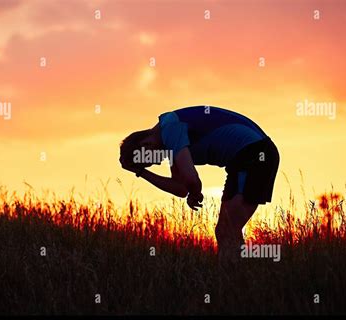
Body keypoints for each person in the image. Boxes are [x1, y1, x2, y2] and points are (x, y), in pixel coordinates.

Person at [119, 106, 279, 267]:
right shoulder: (170, 138)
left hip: (255, 153)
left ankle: (234, 281)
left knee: (227, 230)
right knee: (226, 230)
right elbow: (181, 189)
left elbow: (192, 180)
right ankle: (242, 279)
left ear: (146, 143)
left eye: (150, 160)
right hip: (246, 157)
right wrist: (141, 172)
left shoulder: (170, 129)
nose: (157, 162)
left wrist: (195, 192)